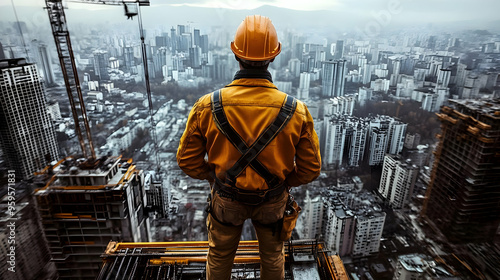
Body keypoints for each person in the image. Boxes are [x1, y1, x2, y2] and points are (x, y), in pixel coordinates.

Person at [176, 15, 321, 280]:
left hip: (226, 198)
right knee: (273, 255)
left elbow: (187, 161)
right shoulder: (296, 111)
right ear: (273, 57)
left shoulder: (206, 106)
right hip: (273, 201)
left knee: (219, 256)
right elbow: (311, 169)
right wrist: (285, 181)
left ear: (236, 54)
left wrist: (212, 176)